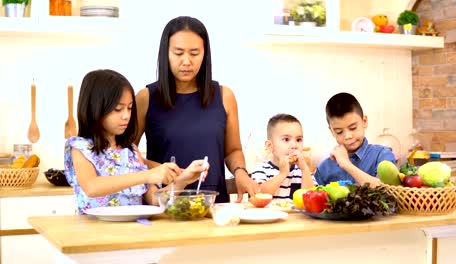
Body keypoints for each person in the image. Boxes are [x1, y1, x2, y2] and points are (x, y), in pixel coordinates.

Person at [134, 16, 258, 203]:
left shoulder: (225, 96)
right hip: (164, 205)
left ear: (205, 54)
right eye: (178, 53)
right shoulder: (146, 98)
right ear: (165, 53)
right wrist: (158, 169)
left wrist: (241, 173)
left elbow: (232, 150)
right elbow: (125, 153)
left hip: (213, 206)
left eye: (194, 53)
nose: (186, 61)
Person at [64, 69, 207, 214]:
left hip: (133, 231)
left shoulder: (131, 151)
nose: (126, 115)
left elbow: (154, 200)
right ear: (95, 108)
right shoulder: (80, 147)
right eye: (118, 109)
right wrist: (147, 175)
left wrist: (182, 181)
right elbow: (92, 187)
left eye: (130, 108)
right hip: (93, 233)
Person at [313, 92, 395, 187]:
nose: (348, 136)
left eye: (353, 128)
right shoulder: (324, 168)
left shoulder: (382, 154)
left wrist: (346, 164)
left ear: (364, 121)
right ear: (331, 131)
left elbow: (386, 190)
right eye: (339, 132)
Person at [251, 114, 315, 200]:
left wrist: (304, 170)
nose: (294, 145)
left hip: (294, 214)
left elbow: (311, 198)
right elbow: (259, 195)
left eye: (298, 140)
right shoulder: (261, 169)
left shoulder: (303, 171)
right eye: (286, 139)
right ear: (270, 146)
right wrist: (282, 174)